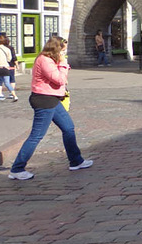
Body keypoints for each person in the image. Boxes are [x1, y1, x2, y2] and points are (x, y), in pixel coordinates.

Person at [9, 37, 93, 180]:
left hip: (53, 99)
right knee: (36, 135)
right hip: (44, 100)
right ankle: (17, 168)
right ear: (56, 48)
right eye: (62, 50)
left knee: (68, 127)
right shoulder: (45, 60)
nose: (64, 53)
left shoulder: (51, 60)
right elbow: (59, 79)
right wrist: (63, 64)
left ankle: (76, 160)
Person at [0, 36, 18, 102]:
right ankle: (14, 96)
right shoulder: (7, 49)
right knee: (7, 83)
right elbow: (9, 59)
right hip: (5, 68)